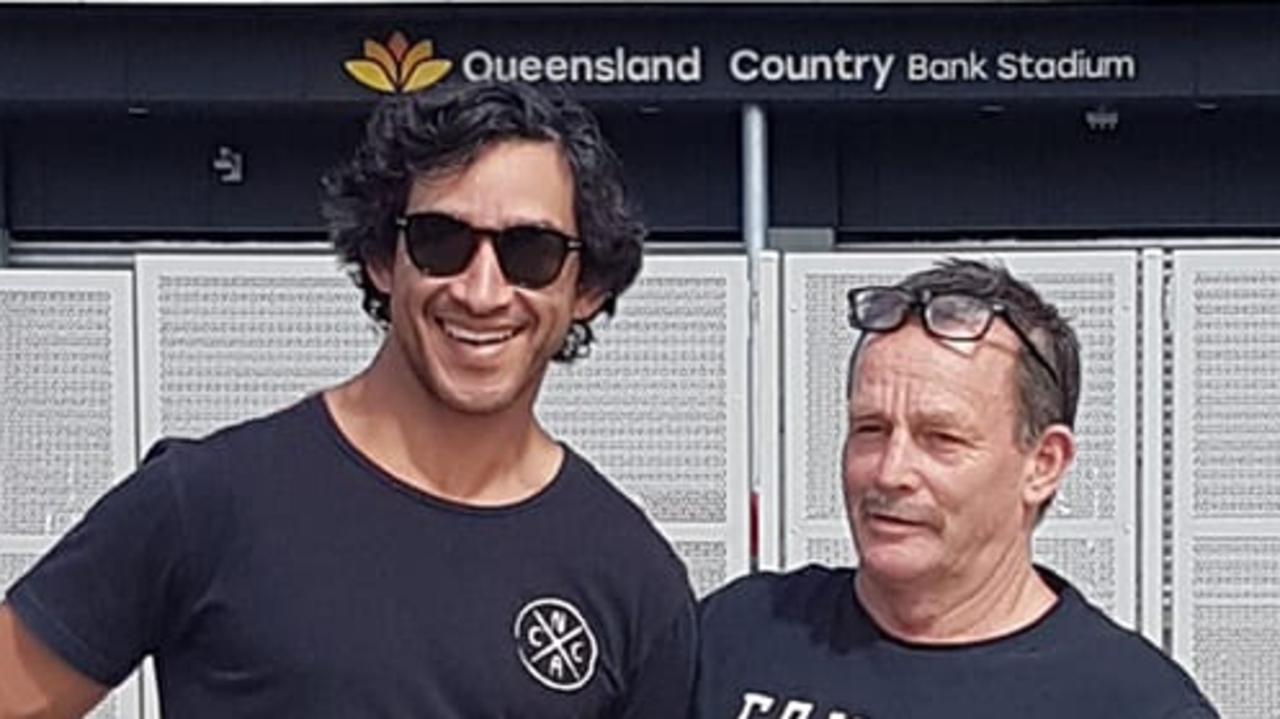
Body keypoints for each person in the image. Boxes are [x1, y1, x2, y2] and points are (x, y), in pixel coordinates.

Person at [0, 81, 696, 717]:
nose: (482, 291)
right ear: (381, 259)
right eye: (440, 241)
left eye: (531, 251)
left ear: (586, 289)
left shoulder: (635, 581)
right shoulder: (205, 502)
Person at [694, 259, 1217, 719]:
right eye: (871, 429)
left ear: (1044, 464)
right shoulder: (738, 635)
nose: (890, 471)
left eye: (940, 438)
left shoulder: (1132, 704)